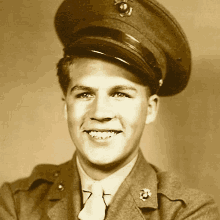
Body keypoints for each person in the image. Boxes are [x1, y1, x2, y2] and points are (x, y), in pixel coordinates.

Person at [0, 0, 219, 219]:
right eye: (85, 94)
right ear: (66, 106)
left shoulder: (187, 212)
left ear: (150, 109)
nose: (100, 112)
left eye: (120, 94)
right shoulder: (17, 203)